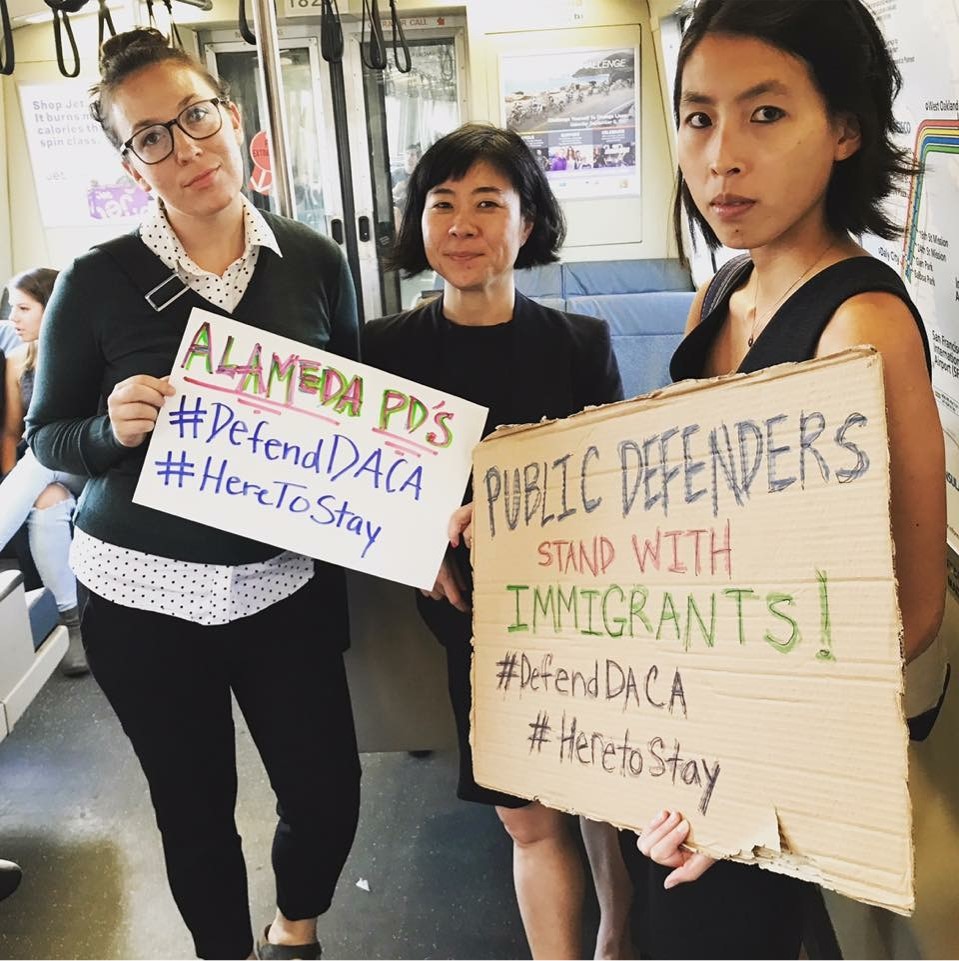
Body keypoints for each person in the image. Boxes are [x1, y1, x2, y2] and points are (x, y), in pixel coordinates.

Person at [26, 28, 360, 960]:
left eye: (195, 117)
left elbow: (368, 425)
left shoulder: (314, 260)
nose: (185, 148)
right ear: (131, 163)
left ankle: (295, 927)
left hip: (281, 583)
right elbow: (46, 437)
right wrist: (108, 429)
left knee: (327, 792)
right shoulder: (94, 282)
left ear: (232, 115)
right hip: (139, 591)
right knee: (194, 810)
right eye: (152, 137)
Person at [626, 1, 946, 957]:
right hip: (683, 730)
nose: (720, 156)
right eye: (697, 115)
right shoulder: (723, 287)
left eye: (764, 115)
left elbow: (913, 603)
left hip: (768, 764)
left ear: (844, 129)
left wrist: (744, 764)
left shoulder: (862, 324)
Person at [363, 123, 632, 961]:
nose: (461, 224)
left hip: (579, 614)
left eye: (488, 203)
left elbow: (614, 488)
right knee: (526, 817)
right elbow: (363, 487)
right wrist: (418, 546)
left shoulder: (579, 344)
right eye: (441, 204)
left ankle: (617, 939)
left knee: (603, 799)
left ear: (526, 223)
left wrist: (521, 508)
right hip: (475, 631)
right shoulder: (382, 349)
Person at [1, 268, 88, 676]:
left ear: (51, 308)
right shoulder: (17, 359)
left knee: (40, 459)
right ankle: (71, 625)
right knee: (44, 502)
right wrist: (10, 481)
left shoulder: (85, 353)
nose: (12, 319)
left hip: (88, 468)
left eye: (23, 309)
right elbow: (11, 432)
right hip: (44, 474)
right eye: (10, 308)